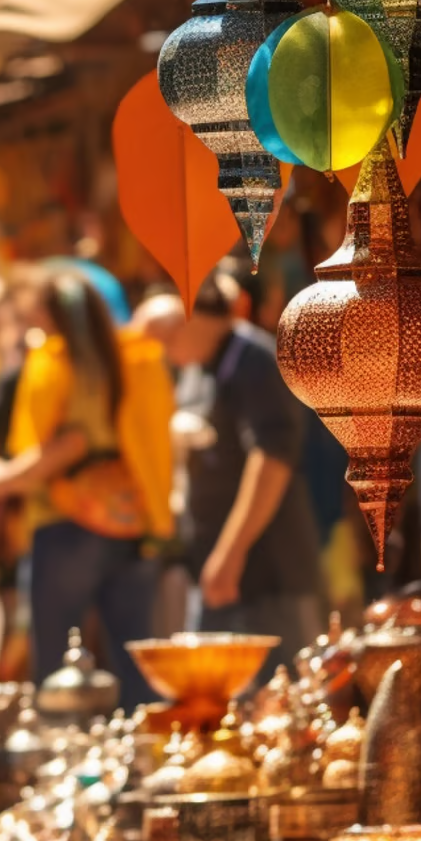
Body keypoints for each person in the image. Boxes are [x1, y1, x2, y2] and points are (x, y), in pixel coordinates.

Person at [0, 273, 175, 710]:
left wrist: (0, 478)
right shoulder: (135, 358)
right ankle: (142, 742)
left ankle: (58, 745)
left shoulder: (57, 361)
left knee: (54, 663)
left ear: (51, 314)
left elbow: (64, 446)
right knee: (134, 659)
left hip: (66, 522)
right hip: (133, 522)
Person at [137, 271, 325, 672]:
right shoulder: (198, 368)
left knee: (281, 689)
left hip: (264, 573)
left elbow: (273, 457)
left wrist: (231, 553)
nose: (165, 353)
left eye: (167, 340)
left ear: (192, 319)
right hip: (212, 567)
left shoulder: (253, 359)